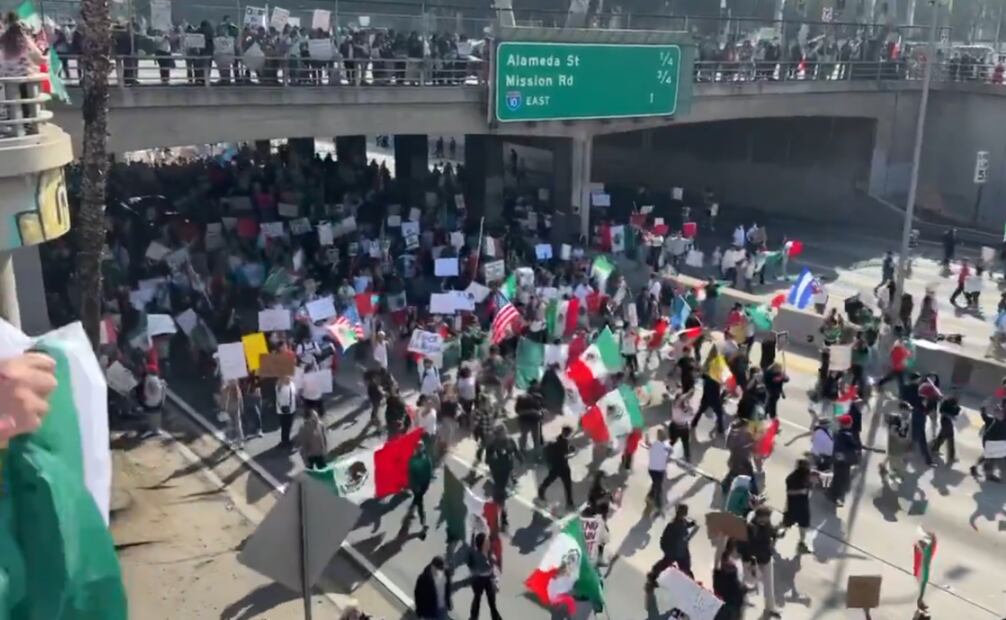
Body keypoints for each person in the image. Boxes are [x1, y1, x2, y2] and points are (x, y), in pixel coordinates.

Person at [646, 504, 696, 587]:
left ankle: (654, 575)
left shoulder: (681, 522)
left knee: (680, 566)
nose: (685, 514)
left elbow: (684, 526)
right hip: (675, 551)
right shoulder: (673, 524)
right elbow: (666, 537)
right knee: (669, 564)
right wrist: (667, 548)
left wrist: (691, 524)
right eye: (684, 512)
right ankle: (653, 575)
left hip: (680, 550)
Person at [744, 506, 781, 618]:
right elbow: (748, 546)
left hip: (766, 559)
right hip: (755, 561)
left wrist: (777, 533)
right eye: (765, 518)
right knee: (749, 582)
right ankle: (741, 598)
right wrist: (750, 562)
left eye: (768, 518)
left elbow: (771, 532)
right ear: (759, 517)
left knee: (769, 585)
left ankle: (770, 607)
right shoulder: (751, 528)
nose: (767, 520)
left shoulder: (767, 525)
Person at [485, 424, 519, 531]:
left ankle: (502, 516)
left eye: (505, 432)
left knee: (502, 494)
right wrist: (493, 459)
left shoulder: (510, 441)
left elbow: (515, 451)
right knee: (500, 495)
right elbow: (487, 460)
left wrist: (521, 459)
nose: (504, 434)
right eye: (502, 433)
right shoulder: (493, 445)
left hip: (507, 470)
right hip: (497, 472)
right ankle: (501, 517)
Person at [537, 426, 575, 510]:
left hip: (558, 465)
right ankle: (569, 502)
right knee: (565, 484)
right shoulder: (562, 442)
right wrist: (572, 453)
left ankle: (569, 502)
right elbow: (564, 454)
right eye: (570, 434)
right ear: (567, 434)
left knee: (560, 481)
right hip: (560, 465)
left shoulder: (560, 440)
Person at [467, 532, 503, 620]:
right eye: (486, 542)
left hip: (488, 579)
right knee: (477, 598)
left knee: (491, 601)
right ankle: (473, 617)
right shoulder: (476, 555)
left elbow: (492, 566)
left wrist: (495, 580)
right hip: (478, 579)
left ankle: (496, 617)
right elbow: (472, 566)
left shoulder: (489, 552)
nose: (489, 543)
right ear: (482, 544)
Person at [830, 414, 862, 506]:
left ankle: (833, 493)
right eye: (850, 422)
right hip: (843, 460)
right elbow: (853, 445)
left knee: (839, 477)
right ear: (847, 424)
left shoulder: (839, 432)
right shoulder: (846, 434)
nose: (851, 423)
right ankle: (834, 496)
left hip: (839, 459)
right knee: (842, 479)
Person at [404, 441, 433, 539]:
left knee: (417, 500)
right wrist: (414, 485)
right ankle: (423, 523)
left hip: (422, 486)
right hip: (417, 487)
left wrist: (427, 484)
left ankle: (412, 510)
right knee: (420, 504)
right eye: (418, 447)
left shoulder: (425, 459)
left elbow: (429, 472)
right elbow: (410, 474)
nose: (419, 449)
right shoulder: (414, 460)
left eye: (421, 447)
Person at [783, 459, 813, 553]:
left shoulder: (807, 475)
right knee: (786, 523)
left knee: (803, 526)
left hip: (803, 506)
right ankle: (776, 532)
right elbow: (789, 492)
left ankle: (801, 543)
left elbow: (809, 484)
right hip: (793, 506)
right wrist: (800, 491)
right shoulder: (791, 478)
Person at [644, 427, 673, 514]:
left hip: (652, 469)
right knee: (658, 487)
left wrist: (646, 436)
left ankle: (650, 496)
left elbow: (647, 443)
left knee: (656, 484)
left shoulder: (656, 444)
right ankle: (658, 506)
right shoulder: (666, 446)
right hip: (659, 470)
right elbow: (671, 451)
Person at [414, 556, 452, 620]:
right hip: (429, 610)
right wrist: (419, 610)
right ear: (433, 567)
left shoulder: (446, 573)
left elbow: (447, 588)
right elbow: (418, 595)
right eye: (439, 569)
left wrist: (448, 602)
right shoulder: (423, 578)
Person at [140, 366, 167, 438]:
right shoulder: (153, 379)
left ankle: (154, 429)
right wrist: (162, 385)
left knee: (153, 416)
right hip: (154, 402)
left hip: (149, 401)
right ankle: (153, 430)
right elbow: (155, 391)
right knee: (155, 416)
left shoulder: (148, 378)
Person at [668, 389, 693, 462]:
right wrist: (688, 396)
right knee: (685, 443)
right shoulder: (687, 411)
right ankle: (687, 458)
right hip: (683, 428)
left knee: (672, 441)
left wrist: (687, 395)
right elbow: (691, 416)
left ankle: (665, 452)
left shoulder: (674, 406)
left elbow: (679, 400)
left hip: (674, 427)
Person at [275, 374, 297, 447]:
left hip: (290, 409)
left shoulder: (292, 385)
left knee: (287, 426)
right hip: (284, 410)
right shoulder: (280, 386)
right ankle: (285, 441)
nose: (288, 378)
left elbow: (294, 395)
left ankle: (286, 440)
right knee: (285, 426)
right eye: (286, 377)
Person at [221, 379, 245, 446]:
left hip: (229, 410)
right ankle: (240, 441)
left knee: (230, 425)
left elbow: (223, 401)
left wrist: (222, 409)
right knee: (238, 425)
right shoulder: (237, 390)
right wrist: (241, 408)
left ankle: (229, 439)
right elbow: (241, 401)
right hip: (236, 410)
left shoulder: (226, 390)